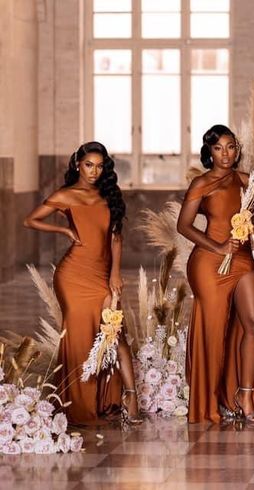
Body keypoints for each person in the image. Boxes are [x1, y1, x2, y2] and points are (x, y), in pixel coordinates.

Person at [24, 141, 141, 425]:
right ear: (78, 164)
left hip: (102, 275)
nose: (94, 171)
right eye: (89, 165)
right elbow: (30, 220)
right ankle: (79, 405)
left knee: (116, 333)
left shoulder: (108, 195)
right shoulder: (66, 195)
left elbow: (116, 238)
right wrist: (63, 229)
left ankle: (130, 396)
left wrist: (115, 273)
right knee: (78, 339)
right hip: (72, 276)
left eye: (100, 166)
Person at [177, 124, 254, 424]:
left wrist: (253, 219)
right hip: (209, 262)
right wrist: (218, 246)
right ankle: (210, 400)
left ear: (237, 149)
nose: (226, 153)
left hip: (241, 259)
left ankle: (244, 393)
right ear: (209, 152)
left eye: (231, 146)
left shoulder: (246, 181)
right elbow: (184, 225)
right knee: (215, 332)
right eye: (218, 148)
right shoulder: (201, 184)